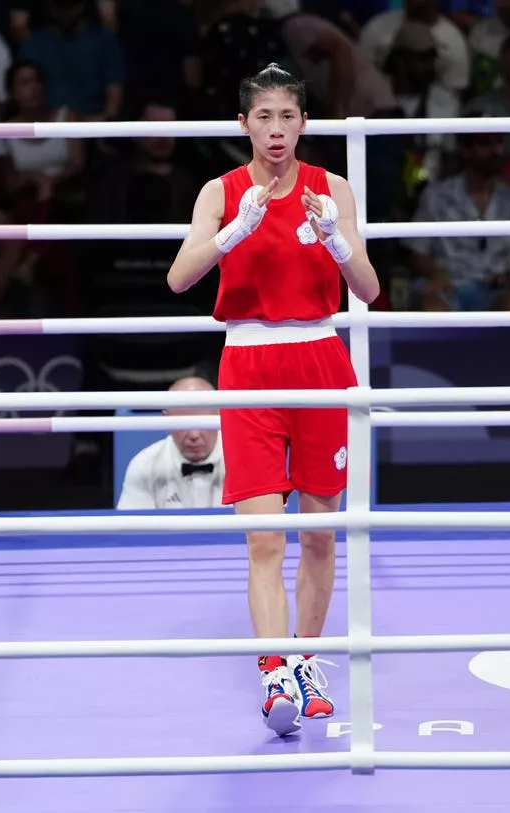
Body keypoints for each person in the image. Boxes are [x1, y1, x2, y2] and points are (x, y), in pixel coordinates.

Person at [167, 63, 380, 737]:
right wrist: (232, 232)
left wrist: (339, 241)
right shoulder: (219, 191)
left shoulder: (332, 188)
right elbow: (179, 278)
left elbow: (371, 289)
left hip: (319, 356)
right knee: (265, 536)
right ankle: (272, 673)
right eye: (265, 117)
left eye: (288, 117)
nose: (277, 130)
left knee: (320, 532)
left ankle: (308, 661)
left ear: (304, 123)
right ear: (244, 125)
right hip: (250, 361)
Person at [117, 376, 224, 510]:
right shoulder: (144, 465)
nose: (194, 435)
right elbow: (132, 529)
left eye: (202, 422)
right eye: (183, 424)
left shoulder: (248, 462)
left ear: (220, 415)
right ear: (166, 419)